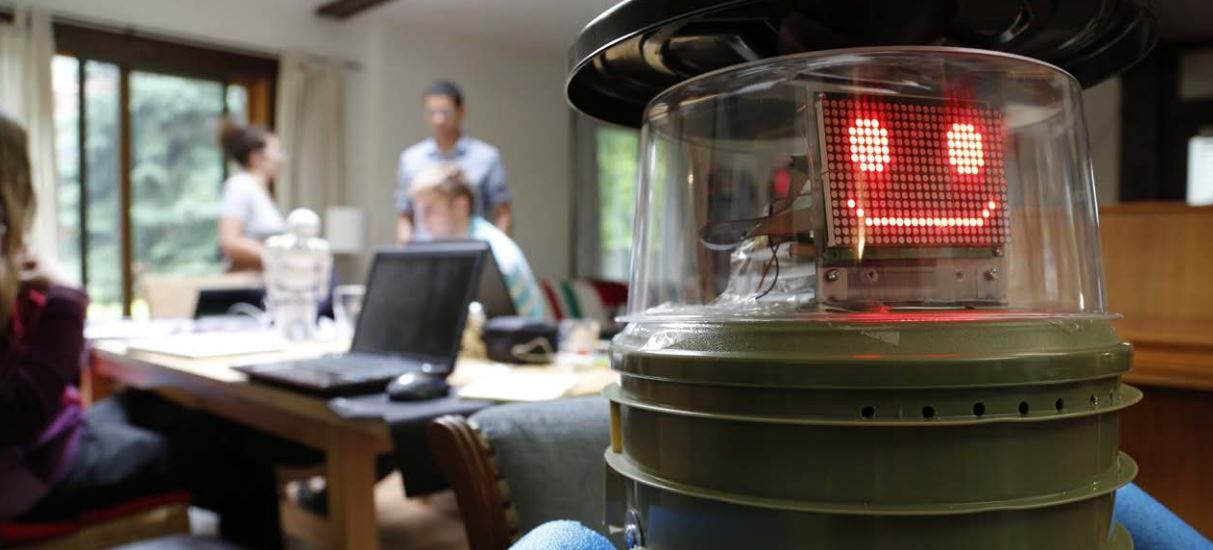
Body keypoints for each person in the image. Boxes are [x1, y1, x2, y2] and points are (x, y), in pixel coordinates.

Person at [0, 111, 315, 549]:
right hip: (32, 477)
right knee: (232, 454)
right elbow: (19, 410)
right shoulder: (243, 188)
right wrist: (67, 297)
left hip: (51, 440)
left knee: (155, 402)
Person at [409, 163, 545, 320]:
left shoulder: (497, 255)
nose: (423, 221)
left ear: (461, 206)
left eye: (429, 210)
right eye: (418, 212)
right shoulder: (452, 244)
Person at [395, 80, 512, 243]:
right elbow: (405, 215)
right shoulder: (410, 159)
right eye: (432, 112)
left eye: (446, 112)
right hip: (424, 253)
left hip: (471, 252)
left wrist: (497, 252)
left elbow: (502, 213)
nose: (439, 120)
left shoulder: (486, 157)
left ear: (461, 111)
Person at [217, 120, 286, 271]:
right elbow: (230, 241)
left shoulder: (262, 193)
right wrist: (281, 257)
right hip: (245, 287)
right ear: (255, 156)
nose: (282, 159)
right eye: (277, 151)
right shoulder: (240, 186)